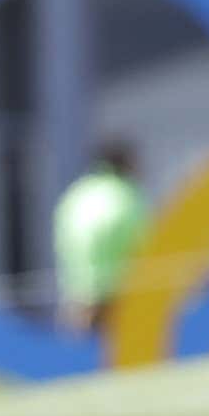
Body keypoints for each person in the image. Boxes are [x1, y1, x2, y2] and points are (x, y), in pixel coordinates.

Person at [52, 140, 148, 333]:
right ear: (127, 163)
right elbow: (144, 245)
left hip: (77, 297)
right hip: (117, 297)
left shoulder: (77, 194)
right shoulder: (126, 194)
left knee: (81, 359)